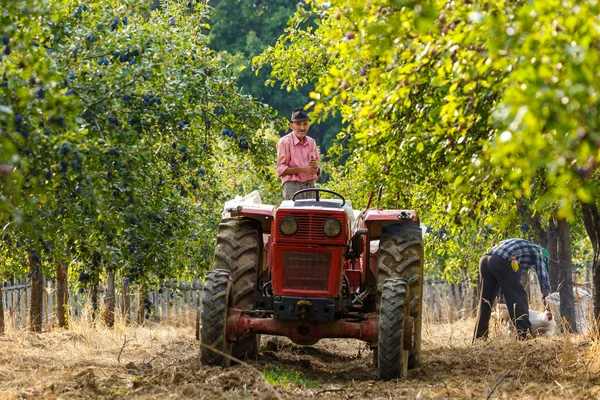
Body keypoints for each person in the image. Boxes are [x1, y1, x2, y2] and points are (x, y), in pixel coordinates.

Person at [474, 238, 551, 340]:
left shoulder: (524, 252)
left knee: (485, 301)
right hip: (500, 260)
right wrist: (548, 300)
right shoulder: (540, 253)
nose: (534, 269)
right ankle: (524, 335)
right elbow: (543, 276)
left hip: (485, 260)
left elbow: (505, 282)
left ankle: (479, 338)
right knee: (519, 296)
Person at [276, 108, 321, 200]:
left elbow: (317, 166)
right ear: (291, 126)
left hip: (311, 186)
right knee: (296, 214)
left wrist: (316, 169)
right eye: (298, 124)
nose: (302, 128)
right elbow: (280, 170)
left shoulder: (312, 142)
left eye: (305, 124)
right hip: (293, 186)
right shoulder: (285, 142)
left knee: (313, 214)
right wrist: (302, 169)